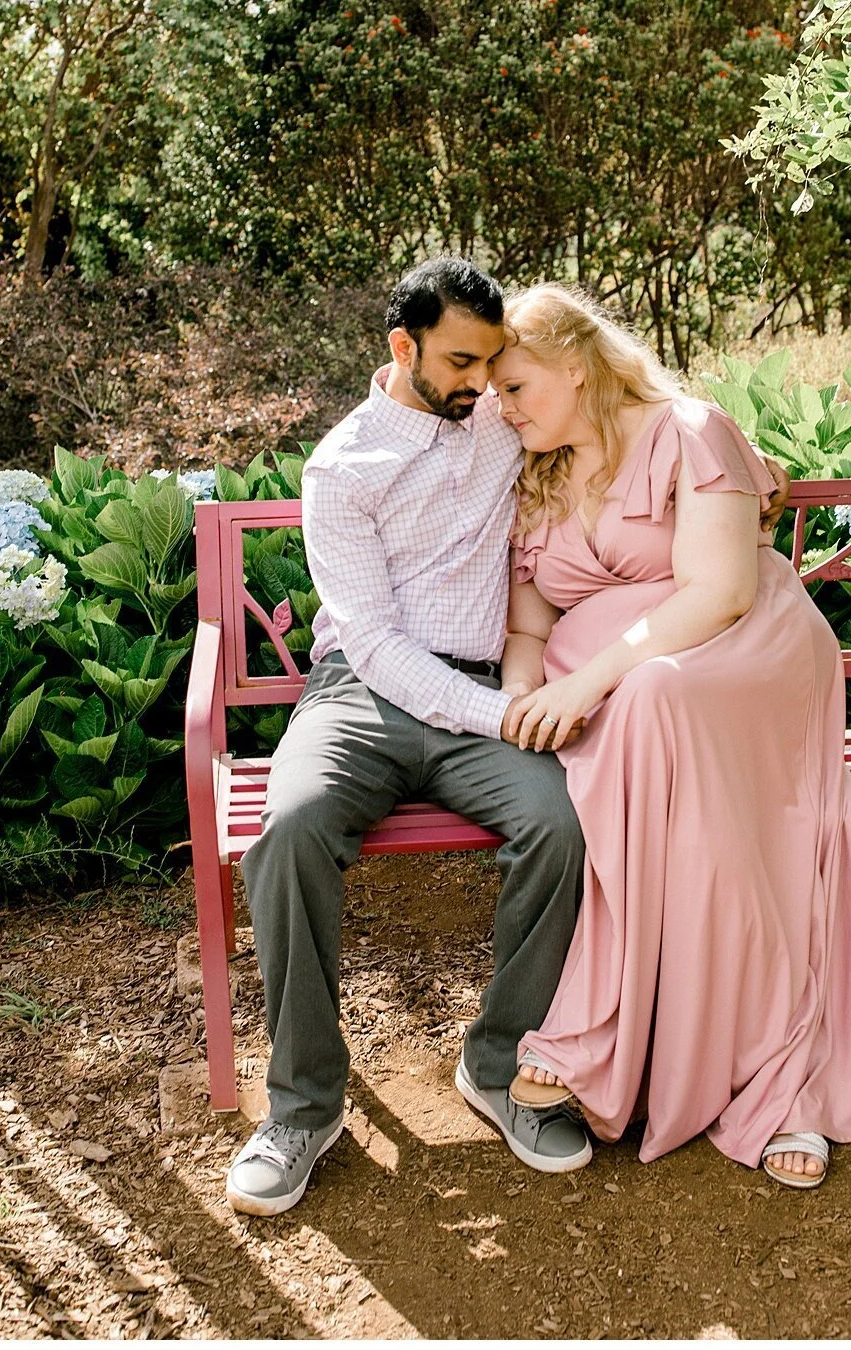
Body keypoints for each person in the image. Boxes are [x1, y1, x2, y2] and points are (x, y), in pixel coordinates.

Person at [490, 283, 851, 1188]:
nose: (500, 406)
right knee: (648, 714)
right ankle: (637, 1039)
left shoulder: (688, 430)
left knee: (657, 702)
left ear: (574, 364)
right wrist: (516, 701)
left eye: (515, 386)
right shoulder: (535, 470)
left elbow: (721, 593)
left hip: (740, 657)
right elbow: (525, 629)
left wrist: (596, 679)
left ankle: (736, 1063)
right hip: (615, 692)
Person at [225, 258, 594, 1217]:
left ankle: (502, 1065)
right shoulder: (340, 469)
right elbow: (378, 645)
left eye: (491, 364)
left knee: (561, 826)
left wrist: (732, 458)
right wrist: (501, 715)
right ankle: (304, 1107)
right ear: (403, 347)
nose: (484, 385)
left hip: (481, 688)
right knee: (288, 830)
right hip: (366, 697)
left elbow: (609, 417)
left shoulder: (499, 426)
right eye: (462, 362)